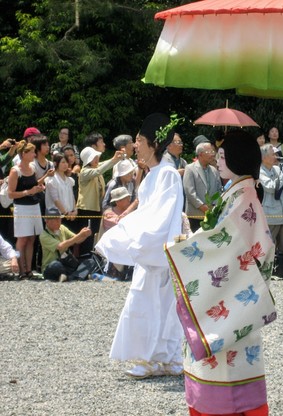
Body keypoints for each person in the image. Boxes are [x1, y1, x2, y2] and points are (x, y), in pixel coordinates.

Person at [171, 129, 275, 416]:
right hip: (233, 294)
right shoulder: (237, 193)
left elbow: (227, 247)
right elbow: (222, 239)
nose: (217, 160)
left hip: (234, 294)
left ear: (237, 158)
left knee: (228, 362)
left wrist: (186, 246)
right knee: (226, 360)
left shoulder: (243, 197)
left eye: (222, 155)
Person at [95, 113, 185, 379]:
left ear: (153, 144)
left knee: (155, 305)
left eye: (139, 140)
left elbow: (160, 218)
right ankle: (165, 359)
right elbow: (147, 213)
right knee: (151, 304)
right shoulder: (153, 175)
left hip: (159, 250)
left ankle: (157, 359)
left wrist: (133, 236)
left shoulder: (167, 174)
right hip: (151, 251)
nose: (135, 145)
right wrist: (125, 224)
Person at [7, 141, 45, 278]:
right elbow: (10, 193)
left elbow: (34, 184)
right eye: (32, 152)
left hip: (34, 206)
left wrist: (39, 188)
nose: (35, 154)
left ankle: (29, 269)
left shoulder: (33, 168)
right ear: (24, 154)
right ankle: (20, 269)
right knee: (22, 239)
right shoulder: (15, 171)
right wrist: (28, 192)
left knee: (31, 238)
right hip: (21, 207)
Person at [76, 146, 123, 254]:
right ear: (88, 160)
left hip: (96, 209)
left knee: (94, 236)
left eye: (97, 156)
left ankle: (91, 260)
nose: (97, 159)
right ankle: (84, 260)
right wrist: (113, 160)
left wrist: (115, 159)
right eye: (94, 157)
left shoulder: (94, 168)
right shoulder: (84, 172)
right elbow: (99, 170)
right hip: (87, 210)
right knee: (87, 238)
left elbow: (102, 165)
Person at [39, 208, 94, 282]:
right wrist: (80, 235)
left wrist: (85, 235)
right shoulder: (44, 235)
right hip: (52, 265)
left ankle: (71, 277)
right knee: (55, 265)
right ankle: (76, 276)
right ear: (47, 221)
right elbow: (60, 246)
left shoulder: (62, 228)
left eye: (59, 219)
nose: (59, 222)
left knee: (90, 262)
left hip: (67, 262)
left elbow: (77, 240)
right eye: (55, 220)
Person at [259, 143, 283, 254]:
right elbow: (270, 187)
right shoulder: (259, 171)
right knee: (268, 248)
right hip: (271, 214)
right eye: (272, 154)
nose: (275, 156)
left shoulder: (277, 169)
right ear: (263, 157)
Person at [183, 142, 222, 232]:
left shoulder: (214, 170)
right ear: (201, 154)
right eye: (209, 151)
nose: (213, 154)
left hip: (212, 214)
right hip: (195, 215)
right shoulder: (190, 169)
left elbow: (219, 190)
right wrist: (202, 207)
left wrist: (214, 206)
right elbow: (190, 192)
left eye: (213, 151)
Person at [45, 153, 77, 221]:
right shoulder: (52, 180)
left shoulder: (69, 180)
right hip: (57, 216)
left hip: (71, 215)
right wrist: (65, 213)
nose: (65, 164)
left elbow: (72, 196)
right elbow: (55, 199)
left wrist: (75, 210)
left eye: (66, 162)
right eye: (63, 162)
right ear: (56, 163)